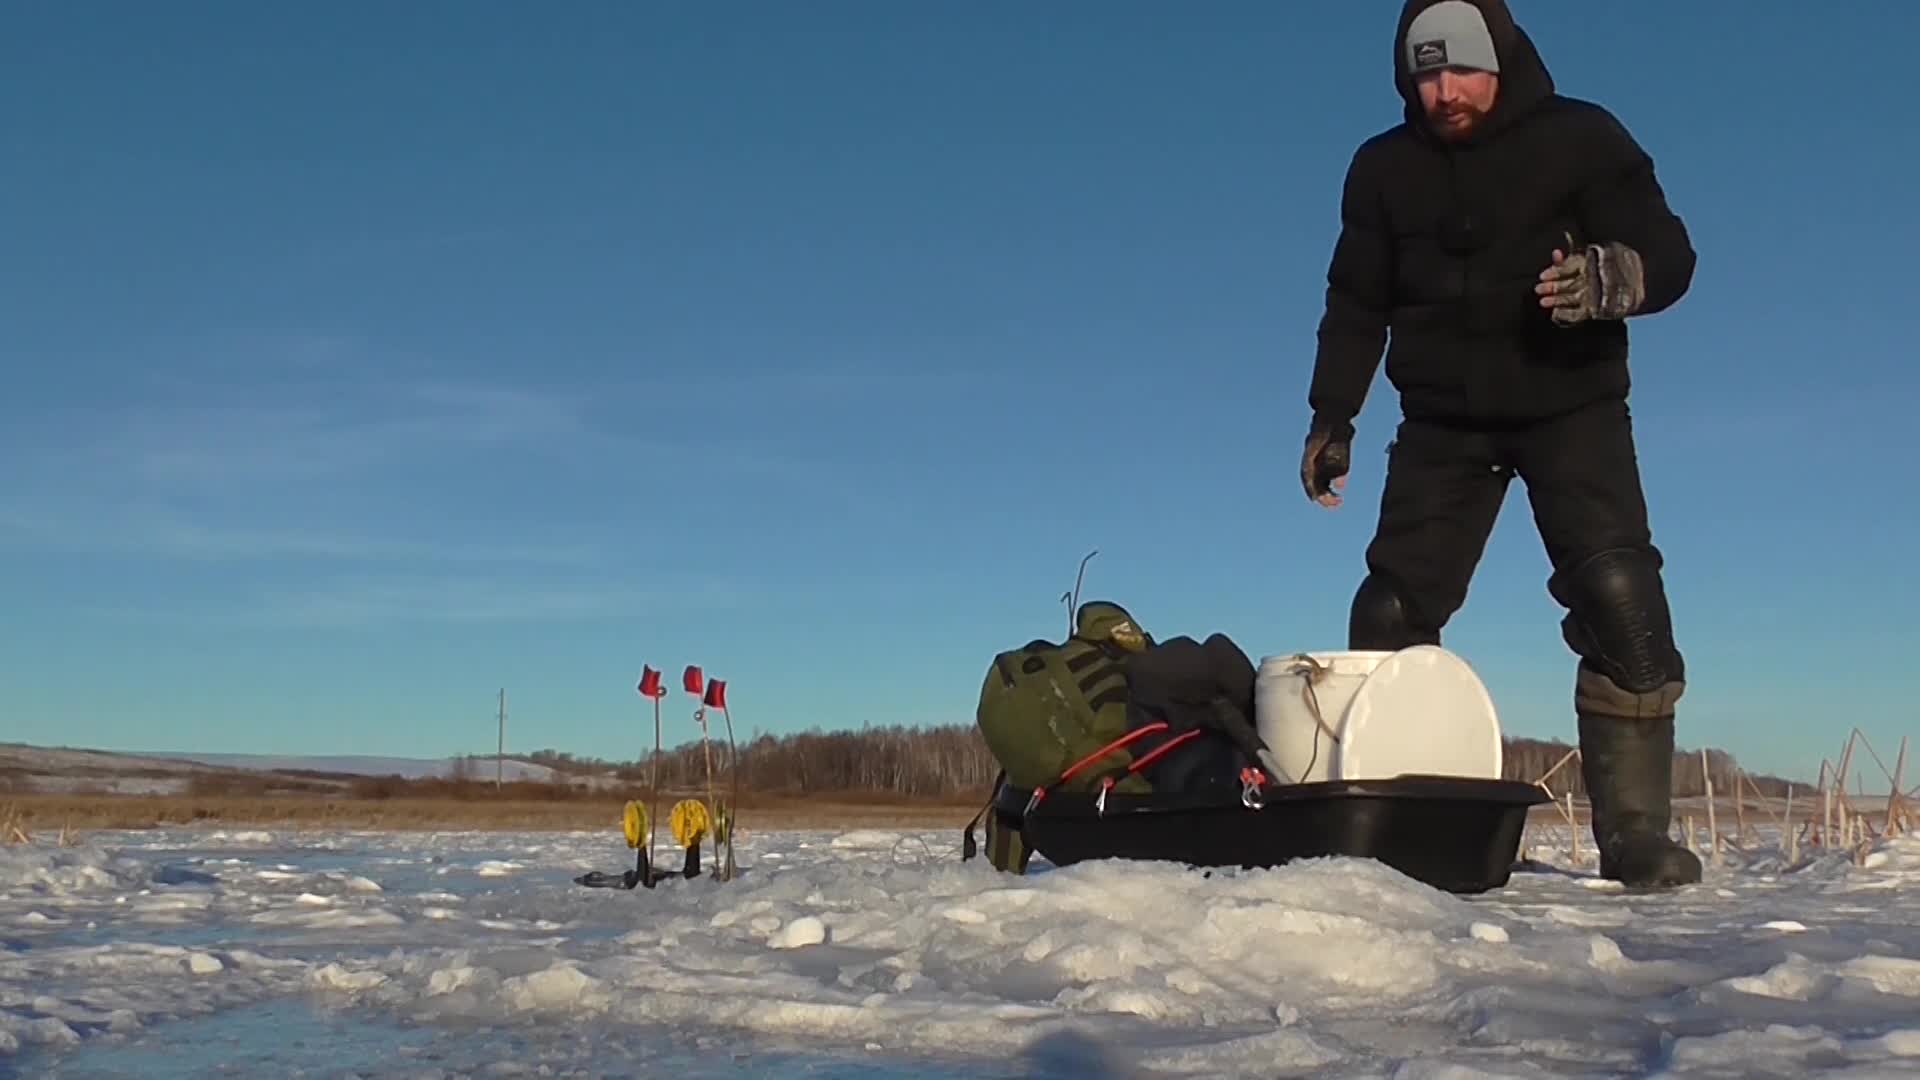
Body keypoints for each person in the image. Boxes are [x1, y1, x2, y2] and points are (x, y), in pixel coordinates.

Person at [1298, 0, 1701, 887]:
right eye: (1425, 75)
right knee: (1390, 614)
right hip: (1444, 425)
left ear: (1503, 61)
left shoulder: (1579, 138)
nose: (1444, 93)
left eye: (1461, 71)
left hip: (1572, 409)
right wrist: (1334, 416)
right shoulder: (1383, 170)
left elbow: (1668, 249)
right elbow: (1356, 301)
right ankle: (1395, 827)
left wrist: (1617, 274)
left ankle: (1635, 839)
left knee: (1622, 601)